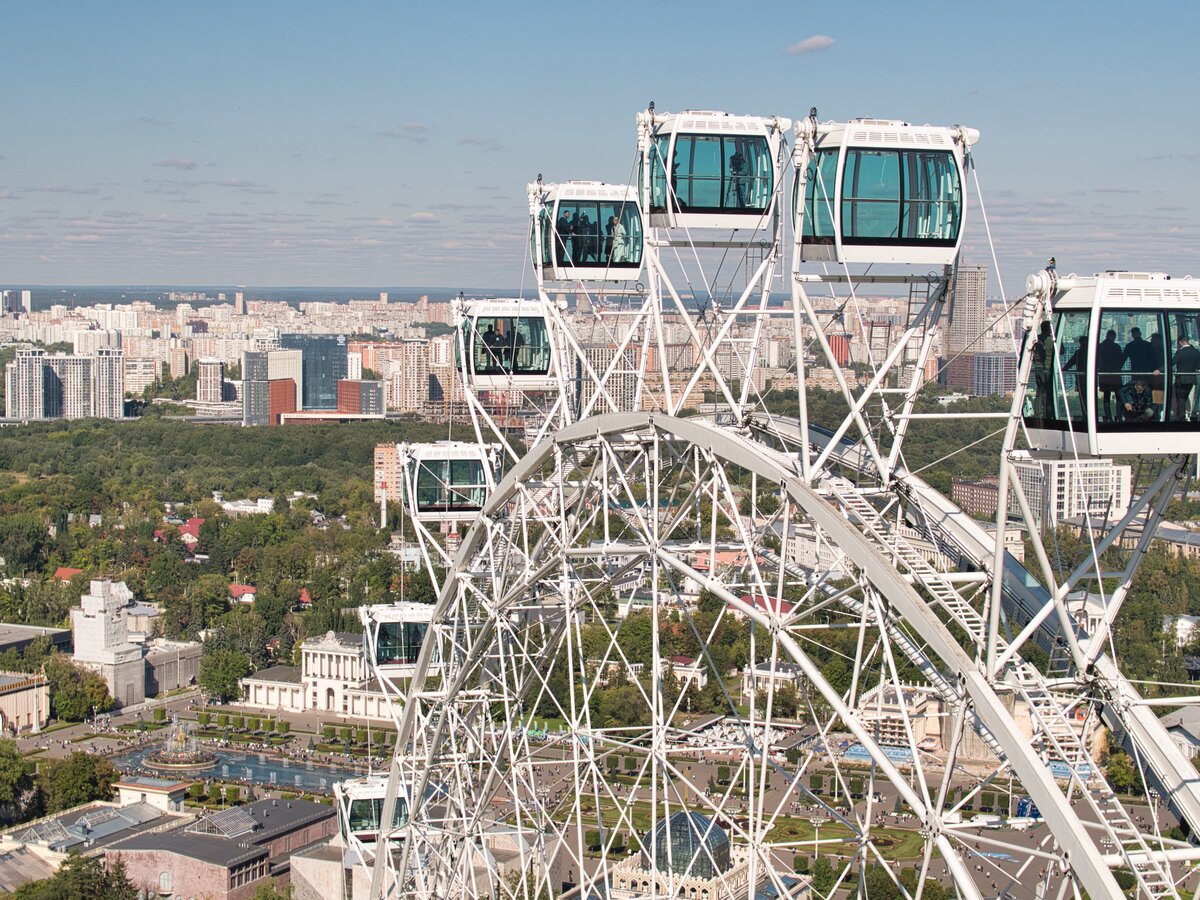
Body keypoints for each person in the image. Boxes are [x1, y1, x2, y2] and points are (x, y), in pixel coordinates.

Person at [1096, 329, 1124, 422]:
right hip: (1115, 374)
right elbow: (1121, 359)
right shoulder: (1116, 347)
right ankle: (1119, 416)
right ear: (1113, 337)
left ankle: (1109, 417)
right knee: (1119, 395)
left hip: (1104, 374)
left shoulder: (1100, 346)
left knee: (1106, 396)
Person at [1172, 333, 1200, 420]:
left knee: (1180, 399)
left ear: (1180, 342)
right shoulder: (1196, 352)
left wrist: (1159, 370)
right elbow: (1198, 366)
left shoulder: (1180, 352)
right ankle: (1188, 415)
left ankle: (1181, 417)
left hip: (1181, 379)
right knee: (1185, 397)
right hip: (1192, 379)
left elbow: (1172, 363)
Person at [1030, 322, 1054, 419]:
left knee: (1039, 391)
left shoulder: (1036, 339)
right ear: (1049, 329)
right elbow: (1062, 351)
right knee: (1047, 391)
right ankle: (1047, 413)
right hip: (1047, 368)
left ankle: (1038, 412)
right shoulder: (1052, 340)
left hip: (1037, 368)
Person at [1063, 333, 1089, 420]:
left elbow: (1071, 362)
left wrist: (1063, 369)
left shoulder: (1079, 352)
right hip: (1090, 379)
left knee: (1083, 398)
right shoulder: (1091, 351)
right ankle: (1088, 414)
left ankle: (1085, 414)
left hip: (1081, 378)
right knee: (1089, 397)